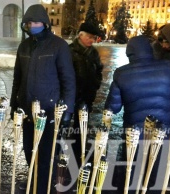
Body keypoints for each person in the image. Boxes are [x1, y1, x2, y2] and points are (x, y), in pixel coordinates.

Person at [10, 4, 76, 194]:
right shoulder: (24, 46)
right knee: (29, 149)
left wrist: (67, 111)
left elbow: (68, 79)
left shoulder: (58, 45)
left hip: (49, 111)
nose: (33, 25)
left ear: (45, 24)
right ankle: (34, 180)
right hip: (27, 111)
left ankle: (43, 186)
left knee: (46, 154)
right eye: (29, 22)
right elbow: (17, 77)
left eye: (37, 22)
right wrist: (15, 105)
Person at [104, 35, 170, 194]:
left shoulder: (122, 74)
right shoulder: (169, 68)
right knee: (157, 176)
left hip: (133, 135)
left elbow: (112, 108)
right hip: (164, 134)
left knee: (133, 176)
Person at [69, 22, 103, 167]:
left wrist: (96, 84)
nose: (91, 40)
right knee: (65, 121)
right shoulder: (70, 51)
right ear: (80, 35)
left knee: (82, 123)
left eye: (93, 38)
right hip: (72, 94)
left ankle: (78, 148)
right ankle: (61, 147)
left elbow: (99, 70)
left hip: (87, 95)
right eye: (89, 37)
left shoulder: (93, 53)